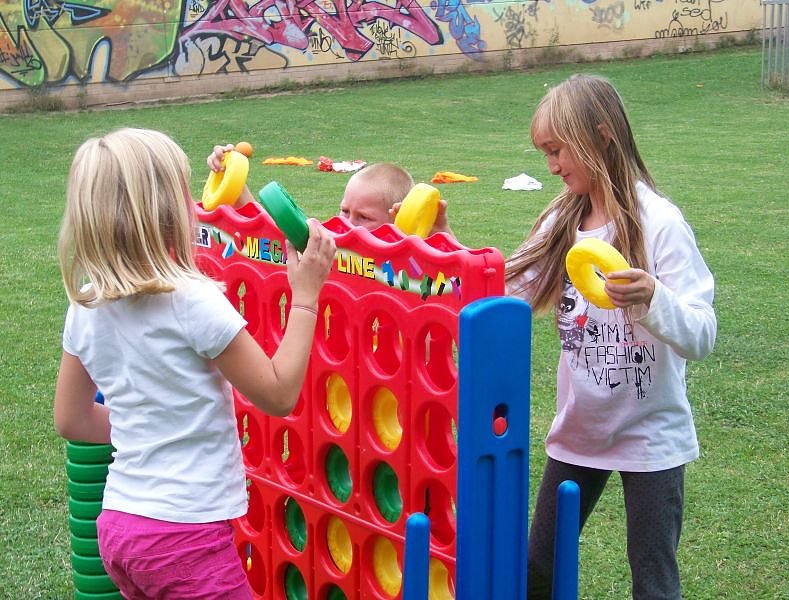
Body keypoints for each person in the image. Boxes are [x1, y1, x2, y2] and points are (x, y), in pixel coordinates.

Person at [53, 127, 336, 598]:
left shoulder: (85, 305)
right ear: (169, 211)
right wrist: (306, 296)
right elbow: (279, 393)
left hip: (120, 527)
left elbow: (72, 419)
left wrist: (145, 426)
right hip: (184, 538)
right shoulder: (193, 302)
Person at [504, 74, 716, 599]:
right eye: (545, 153)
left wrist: (653, 301)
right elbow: (509, 291)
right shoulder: (562, 217)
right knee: (538, 568)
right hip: (580, 431)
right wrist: (446, 246)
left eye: (557, 150)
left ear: (600, 135)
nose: (550, 166)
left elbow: (702, 333)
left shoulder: (660, 223)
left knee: (653, 579)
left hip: (651, 438)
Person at [206, 144, 454, 235]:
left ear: (398, 219)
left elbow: (459, 278)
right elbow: (271, 229)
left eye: (364, 217)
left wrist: (443, 233)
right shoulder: (332, 245)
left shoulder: (406, 260)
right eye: (345, 211)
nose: (348, 223)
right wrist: (232, 180)